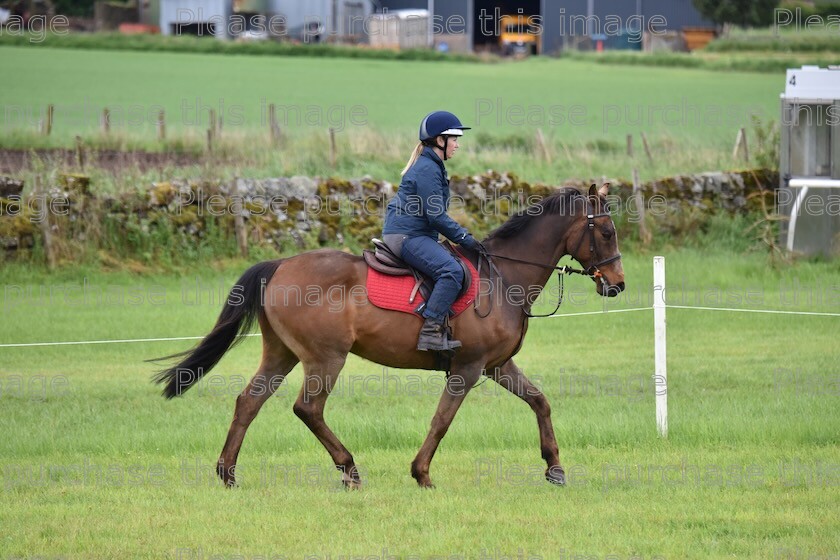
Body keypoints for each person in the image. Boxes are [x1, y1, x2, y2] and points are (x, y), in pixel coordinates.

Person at [382, 111, 482, 352]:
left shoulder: (431, 165)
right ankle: (430, 332)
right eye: (454, 139)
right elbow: (435, 216)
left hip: (414, 234)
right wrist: (464, 238)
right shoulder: (428, 169)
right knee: (451, 271)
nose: (457, 145)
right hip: (408, 236)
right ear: (440, 140)